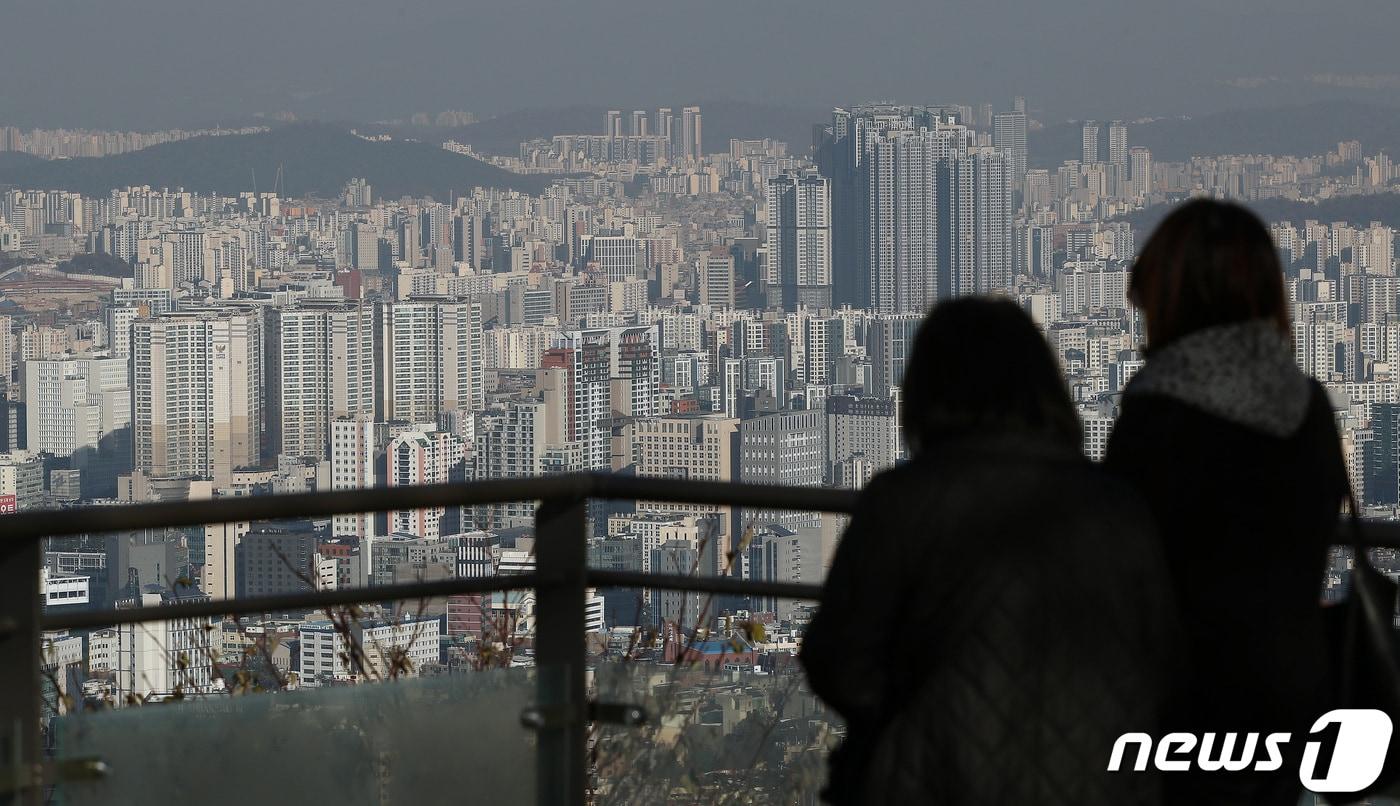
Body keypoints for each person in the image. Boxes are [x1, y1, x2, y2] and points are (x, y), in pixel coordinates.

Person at [801, 297, 1176, 806]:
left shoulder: (903, 501)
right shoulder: (1117, 507)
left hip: (934, 782)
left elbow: (838, 659)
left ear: (925, 391)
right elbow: (1162, 662)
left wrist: (912, 717)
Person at [1104, 199, 1349, 805]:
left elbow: (1119, 563)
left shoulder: (1160, 412)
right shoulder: (1308, 405)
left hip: (1183, 704)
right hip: (1291, 698)